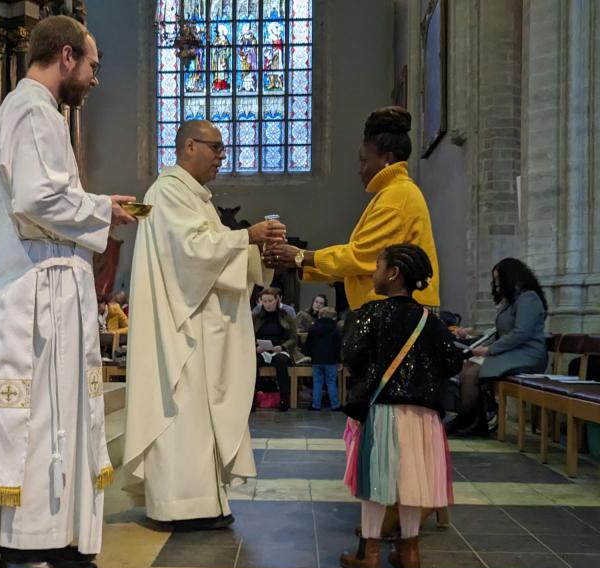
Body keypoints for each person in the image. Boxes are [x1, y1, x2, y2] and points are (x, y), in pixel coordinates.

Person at [0, 15, 136, 568]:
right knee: (41, 421)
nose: (95, 79)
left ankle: (46, 538)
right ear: (66, 56)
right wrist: (100, 210)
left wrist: (94, 204)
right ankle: (26, 549)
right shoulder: (33, 112)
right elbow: (36, 197)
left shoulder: (30, 112)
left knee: (55, 418)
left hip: (44, 287)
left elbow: (46, 196)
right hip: (40, 297)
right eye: (93, 65)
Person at [124, 119, 283, 530]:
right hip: (180, 326)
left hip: (196, 322)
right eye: (215, 148)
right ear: (189, 146)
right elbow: (191, 252)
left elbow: (212, 254)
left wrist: (257, 253)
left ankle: (204, 502)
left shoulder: (198, 198)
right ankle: (177, 505)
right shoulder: (168, 191)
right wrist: (246, 236)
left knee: (198, 415)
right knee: (183, 410)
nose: (221, 157)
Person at [339, 244, 463, 568]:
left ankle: (370, 553)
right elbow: (452, 361)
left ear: (393, 273)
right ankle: (409, 554)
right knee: (412, 481)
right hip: (424, 416)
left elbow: (351, 356)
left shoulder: (370, 314)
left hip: (383, 411)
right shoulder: (430, 320)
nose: (374, 274)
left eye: (378, 267)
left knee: (375, 482)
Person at [265, 107, 440, 311]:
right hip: (390, 309)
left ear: (386, 159)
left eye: (364, 161)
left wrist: (301, 256)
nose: (360, 169)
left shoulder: (397, 196)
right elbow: (356, 267)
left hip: (400, 313)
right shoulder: (393, 192)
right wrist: (298, 262)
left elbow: (359, 257)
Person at [448, 258, 548, 437]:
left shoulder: (529, 298)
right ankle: (472, 420)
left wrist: (489, 350)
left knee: (474, 372)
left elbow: (520, 333)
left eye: (499, 280)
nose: (497, 284)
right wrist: (481, 344)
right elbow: (500, 332)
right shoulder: (511, 302)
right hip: (513, 353)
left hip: (528, 355)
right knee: (467, 366)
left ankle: (468, 420)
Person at [304, 306, 340, 411]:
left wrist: (310, 355)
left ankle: (316, 405)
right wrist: (339, 360)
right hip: (331, 361)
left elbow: (308, 344)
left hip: (317, 360)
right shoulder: (335, 329)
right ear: (333, 317)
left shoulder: (313, 328)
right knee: (331, 382)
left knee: (317, 382)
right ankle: (335, 405)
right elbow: (338, 346)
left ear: (320, 315)